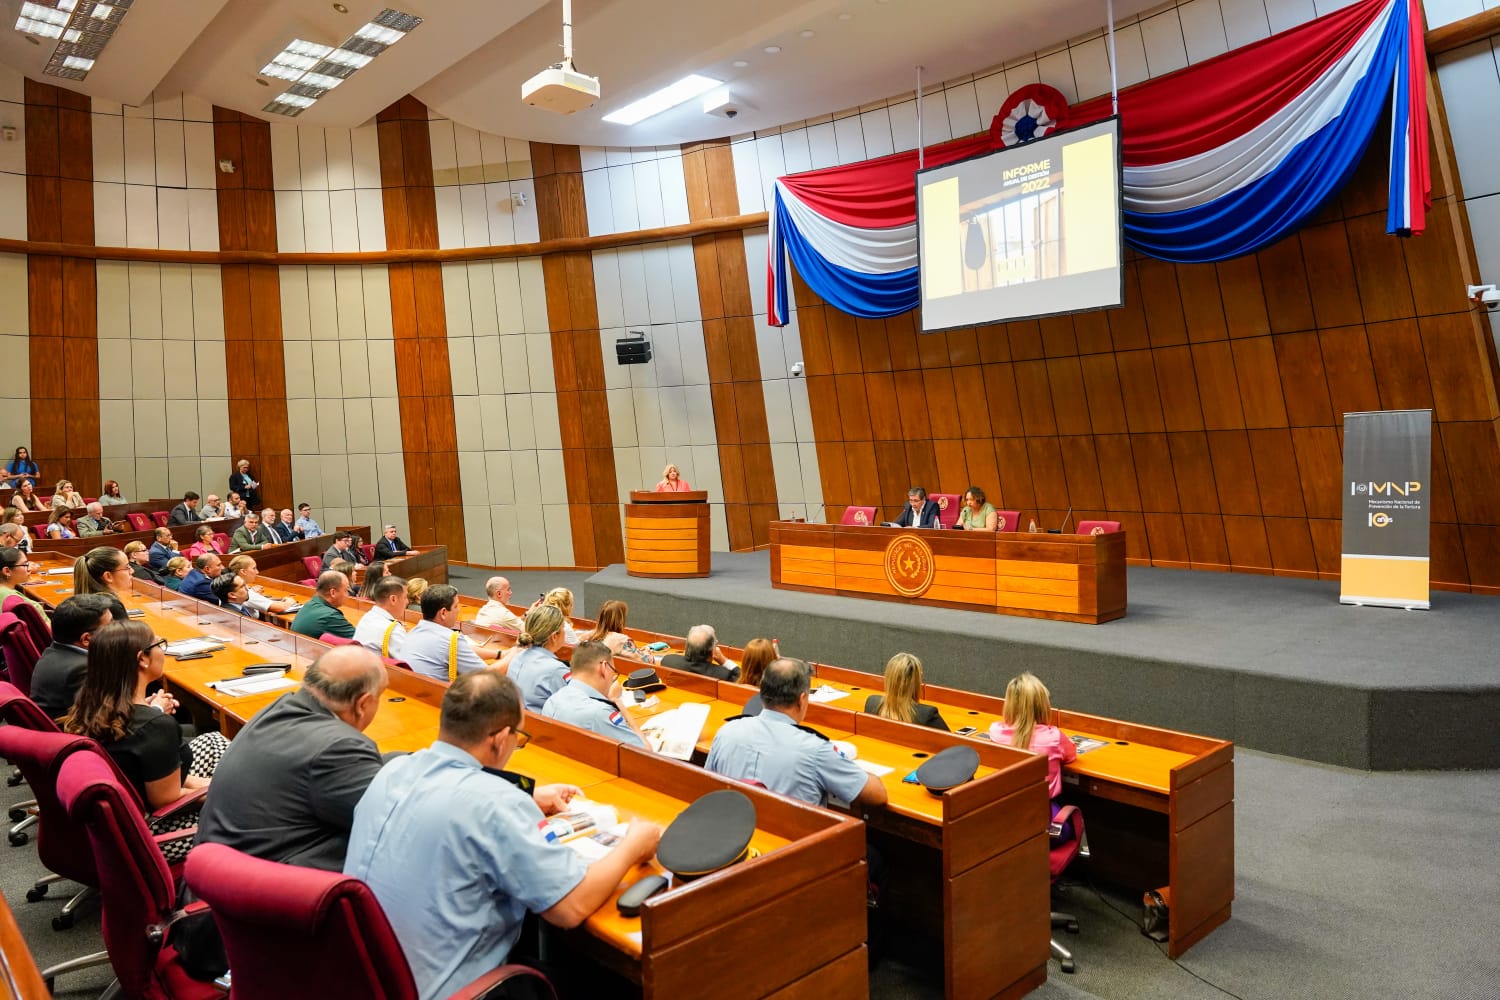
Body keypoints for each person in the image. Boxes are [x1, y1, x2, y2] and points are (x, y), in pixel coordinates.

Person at [345, 672, 662, 1000]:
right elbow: (569, 908)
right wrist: (633, 845)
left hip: (372, 980)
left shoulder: (392, 771)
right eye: (519, 738)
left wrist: (524, 797)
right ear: (499, 738)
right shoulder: (493, 802)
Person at [175, 646, 392, 981]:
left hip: (209, 902)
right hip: (251, 934)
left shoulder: (279, 708)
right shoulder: (338, 747)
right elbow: (392, 821)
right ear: (364, 703)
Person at [62, 621, 229, 857]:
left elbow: (144, 763)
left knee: (213, 741)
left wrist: (210, 784)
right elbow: (166, 802)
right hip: (152, 834)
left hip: (122, 815)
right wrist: (227, 789)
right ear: (142, 659)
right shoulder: (154, 726)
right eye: (160, 644)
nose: (164, 650)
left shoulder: (91, 704)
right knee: (256, 806)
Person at [707, 657, 887, 809]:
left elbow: (707, 785)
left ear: (762, 694)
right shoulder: (815, 749)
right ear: (802, 699)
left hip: (738, 841)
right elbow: (877, 795)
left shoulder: (727, 732)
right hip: (795, 847)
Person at [542, 640, 648, 748]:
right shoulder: (600, 713)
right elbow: (645, 752)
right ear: (604, 668)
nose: (612, 678)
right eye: (613, 672)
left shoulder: (551, 701)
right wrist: (618, 702)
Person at [990, 672, 1077, 802]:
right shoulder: (1053, 737)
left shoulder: (996, 732)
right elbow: (1071, 755)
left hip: (1006, 813)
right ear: (1043, 705)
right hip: (1043, 814)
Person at [30, 593, 118, 719]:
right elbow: (103, 719)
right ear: (86, 639)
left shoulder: (53, 651)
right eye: (111, 624)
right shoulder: (83, 670)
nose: (117, 627)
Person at [404, 584, 498, 682]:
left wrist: (498, 654)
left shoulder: (412, 633)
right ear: (443, 613)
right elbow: (487, 675)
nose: (458, 610)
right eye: (456, 606)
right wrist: (513, 654)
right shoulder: (451, 640)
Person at [863, 652, 949, 730]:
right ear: (916, 682)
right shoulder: (927, 715)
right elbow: (952, 743)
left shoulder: (872, 703)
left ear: (889, 678)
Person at [506, 604, 569, 710]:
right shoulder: (556, 670)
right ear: (554, 636)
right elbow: (569, 709)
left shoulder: (517, 657)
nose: (565, 631)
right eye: (563, 627)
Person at [352, 575, 410, 660]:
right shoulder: (393, 630)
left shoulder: (367, 616)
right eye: (405, 597)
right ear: (393, 599)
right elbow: (409, 664)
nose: (407, 601)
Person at [290, 571, 355, 640]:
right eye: (346, 590)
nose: (348, 595)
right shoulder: (330, 616)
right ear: (333, 592)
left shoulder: (309, 604)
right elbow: (359, 639)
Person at [661, 624, 739, 682]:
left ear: (687, 646)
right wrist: (724, 661)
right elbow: (744, 681)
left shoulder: (668, 661)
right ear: (712, 651)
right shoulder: (722, 674)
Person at [226, 555, 298, 616]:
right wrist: (290, 601)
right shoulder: (244, 593)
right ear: (243, 571)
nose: (257, 572)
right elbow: (280, 608)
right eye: (254, 568)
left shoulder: (234, 586)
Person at [585, 600, 654, 664]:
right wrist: (647, 652)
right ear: (620, 620)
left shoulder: (590, 635)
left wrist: (637, 651)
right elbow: (646, 662)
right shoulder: (622, 640)